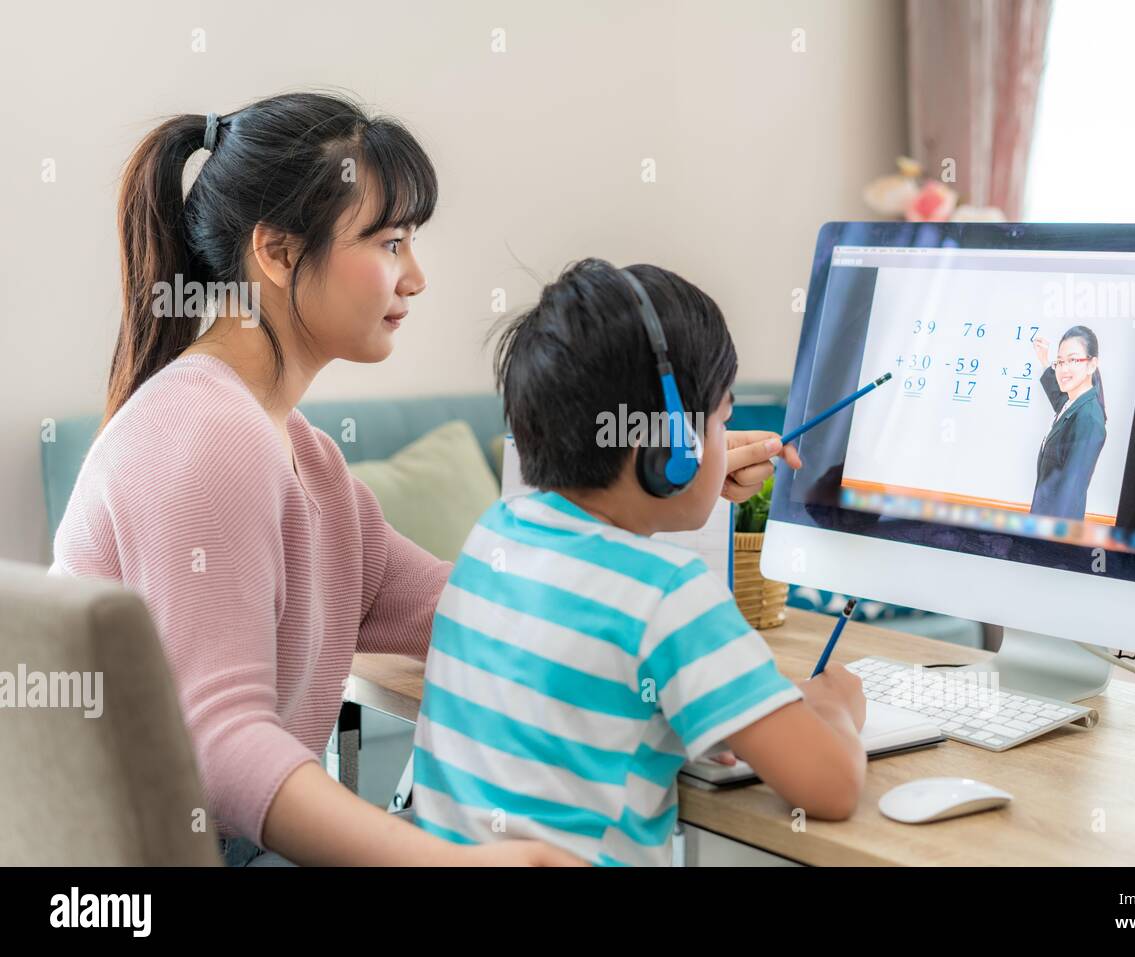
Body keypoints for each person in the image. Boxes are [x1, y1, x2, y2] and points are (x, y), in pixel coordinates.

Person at [51, 92, 794, 866]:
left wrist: (670, 480)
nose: (416, 278)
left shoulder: (302, 457)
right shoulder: (208, 436)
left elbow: (488, 608)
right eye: (392, 242)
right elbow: (223, 749)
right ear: (275, 252)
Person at [413, 258, 868, 865]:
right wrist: (834, 707)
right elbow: (831, 787)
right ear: (673, 450)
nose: (723, 439)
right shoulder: (671, 596)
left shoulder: (493, 535)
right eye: (722, 420)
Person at [1029, 326, 1108, 520]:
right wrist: (1045, 360)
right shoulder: (1072, 403)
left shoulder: (1089, 419)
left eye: (1073, 360)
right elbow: (1058, 397)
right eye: (1061, 362)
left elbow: (1070, 493)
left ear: (1092, 364)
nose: (1064, 369)